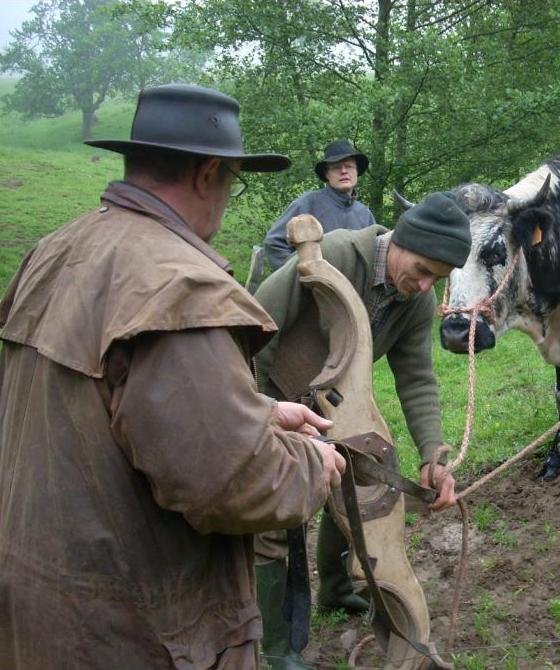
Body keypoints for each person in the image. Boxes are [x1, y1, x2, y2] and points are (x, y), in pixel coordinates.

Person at [0, 84, 346, 670]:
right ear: (209, 173)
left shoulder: (57, 249)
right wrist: (315, 464)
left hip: (33, 611)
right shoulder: (180, 289)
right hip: (131, 632)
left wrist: (261, 412)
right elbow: (232, 484)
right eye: (233, 181)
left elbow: (105, 402)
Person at [252, 191, 470, 665]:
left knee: (359, 483)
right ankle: (275, 647)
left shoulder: (417, 301)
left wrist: (433, 454)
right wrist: (258, 407)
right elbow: (255, 323)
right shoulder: (334, 252)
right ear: (401, 241)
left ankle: (335, 588)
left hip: (337, 403)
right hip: (272, 390)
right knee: (276, 514)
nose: (426, 286)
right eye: (423, 270)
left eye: (439, 278)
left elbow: (417, 377)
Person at [263, 139, 376, 270]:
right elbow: (274, 242)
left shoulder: (364, 214)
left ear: (356, 172)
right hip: (313, 282)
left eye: (349, 166)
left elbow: (375, 255)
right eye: (336, 167)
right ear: (327, 174)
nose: (344, 171)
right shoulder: (308, 203)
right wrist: (297, 275)